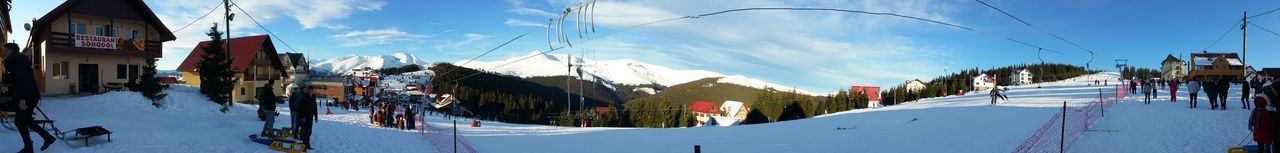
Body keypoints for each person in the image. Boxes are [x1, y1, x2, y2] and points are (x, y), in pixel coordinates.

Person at [4, 43, 56, 153]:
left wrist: (22, 99)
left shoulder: (18, 62)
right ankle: (46, 138)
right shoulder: (17, 61)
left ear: (11, 51)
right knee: (25, 121)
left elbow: (23, 81)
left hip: (27, 97)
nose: (4, 52)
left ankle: (30, 146)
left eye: (5, 50)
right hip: (30, 95)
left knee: (19, 121)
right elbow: (18, 80)